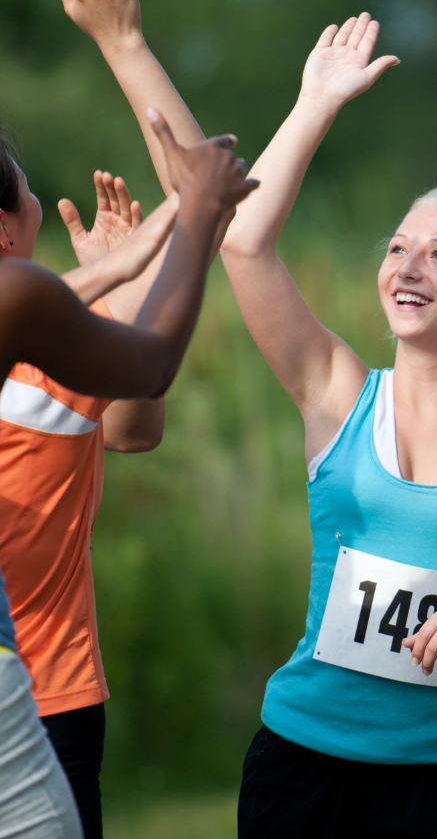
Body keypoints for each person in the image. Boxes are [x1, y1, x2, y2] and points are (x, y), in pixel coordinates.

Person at [48, 0, 437, 834]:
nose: (408, 266)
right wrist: (318, 102)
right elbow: (242, 236)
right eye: (397, 248)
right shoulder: (335, 389)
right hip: (302, 761)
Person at [0, 113, 256, 837]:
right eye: (24, 189)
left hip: (54, 687)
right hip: (29, 700)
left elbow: (132, 429)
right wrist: (175, 234)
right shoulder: (30, 318)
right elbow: (153, 362)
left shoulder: (45, 329)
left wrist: (108, 291)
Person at [0, 153, 178, 839]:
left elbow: (129, 428)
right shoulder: (44, 360)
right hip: (47, 697)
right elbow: (140, 418)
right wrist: (128, 289)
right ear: (6, 231)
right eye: (30, 188)